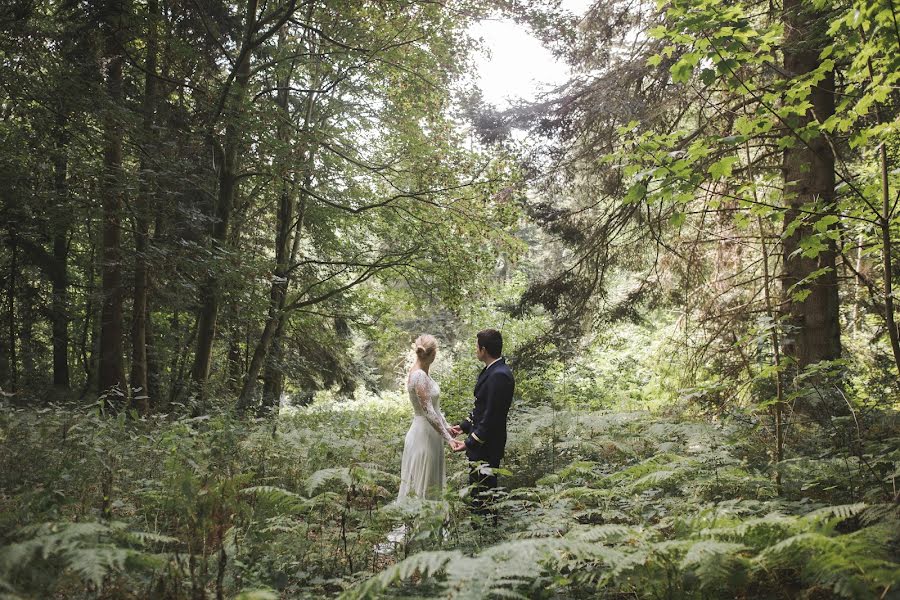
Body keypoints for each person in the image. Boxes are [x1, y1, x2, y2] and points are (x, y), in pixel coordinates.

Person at [449, 328, 514, 519]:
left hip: (488, 446)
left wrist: (469, 442)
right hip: (483, 444)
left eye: (476, 347)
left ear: (483, 349)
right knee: (477, 490)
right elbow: (481, 407)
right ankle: (480, 528)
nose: (475, 350)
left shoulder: (499, 375)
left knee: (484, 493)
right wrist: (463, 427)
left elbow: (492, 417)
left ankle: (485, 532)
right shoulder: (492, 370)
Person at [397, 334, 464, 501]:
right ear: (433, 354)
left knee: (431, 483)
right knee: (424, 485)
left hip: (431, 433)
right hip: (423, 436)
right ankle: (421, 525)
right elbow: (428, 412)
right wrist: (448, 438)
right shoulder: (419, 375)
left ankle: (432, 524)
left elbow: (435, 409)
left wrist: (447, 427)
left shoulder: (422, 373)